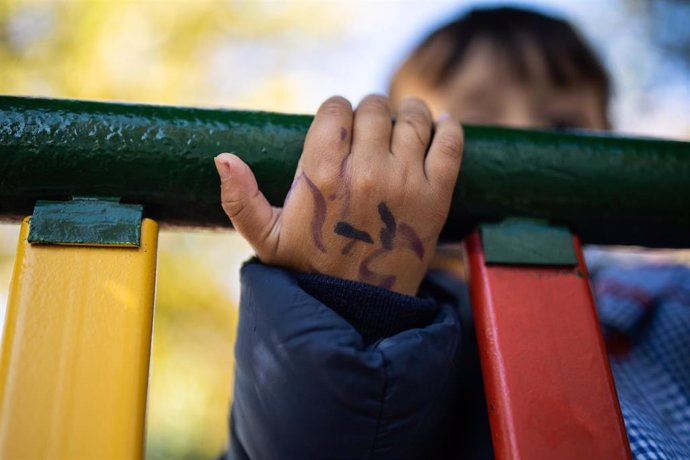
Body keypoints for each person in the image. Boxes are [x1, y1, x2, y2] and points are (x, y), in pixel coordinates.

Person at [214, 6, 690, 459]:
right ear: (396, 154)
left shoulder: (667, 296)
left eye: (564, 123)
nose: (525, 140)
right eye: (479, 121)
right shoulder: (429, 329)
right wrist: (343, 299)